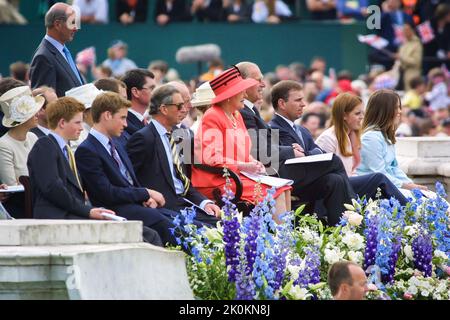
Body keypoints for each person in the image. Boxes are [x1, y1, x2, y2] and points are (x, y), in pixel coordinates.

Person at [74, 92, 185, 247]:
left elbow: (129, 181)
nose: (126, 124)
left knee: (185, 221)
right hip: (116, 211)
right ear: (107, 115)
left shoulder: (117, 144)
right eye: (122, 118)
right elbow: (106, 193)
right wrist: (145, 193)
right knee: (173, 227)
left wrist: (145, 198)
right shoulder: (87, 150)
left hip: (136, 205)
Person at [191, 67, 291, 223]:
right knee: (275, 192)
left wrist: (252, 161)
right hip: (218, 179)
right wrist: (243, 166)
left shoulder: (236, 115)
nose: (245, 94)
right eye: (241, 91)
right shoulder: (212, 116)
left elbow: (241, 151)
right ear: (229, 96)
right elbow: (211, 158)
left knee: (285, 188)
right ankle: (281, 241)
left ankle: (285, 239)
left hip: (236, 175)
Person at [127, 84, 221, 223]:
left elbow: (185, 183)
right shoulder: (144, 138)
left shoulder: (179, 135)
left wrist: (205, 203)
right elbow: (129, 179)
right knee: (216, 231)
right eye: (179, 106)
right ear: (164, 109)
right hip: (162, 208)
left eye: (184, 104)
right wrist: (146, 198)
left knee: (227, 224)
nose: (184, 110)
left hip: (184, 204)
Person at [269, 80, 356, 226]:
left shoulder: (302, 129)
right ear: (282, 104)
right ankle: (354, 206)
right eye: (298, 100)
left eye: (303, 99)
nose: (303, 104)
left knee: (335, 180)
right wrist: (310, 153)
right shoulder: (274, 128)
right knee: (334, 161)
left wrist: (309, 153)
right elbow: (292, 160)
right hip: (290, 181)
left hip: (307, 178)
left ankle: (339, 228)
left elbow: (317, 152)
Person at [315, 92, 408, 205]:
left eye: (362, 113)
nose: (362, 117)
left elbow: (352, 171)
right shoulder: (328, 138)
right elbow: (323, 175)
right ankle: (409, 208)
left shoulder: (349, 137)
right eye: (357, 113)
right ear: (344, 115)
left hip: (347, 185)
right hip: (335, 188)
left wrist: (410, 185)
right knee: (378, 178)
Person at [357, 89, 427, 191]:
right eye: (396, 108)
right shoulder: (370, 138)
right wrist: (408, 187)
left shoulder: (385, 135)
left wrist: (412, 185)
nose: (400, 111)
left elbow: (394, 168)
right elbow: (379, 174)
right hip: (376, 190)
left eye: (399, 107)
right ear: (384, 111)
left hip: (389, 186)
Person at [236, 61, 296, 165]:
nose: (263, 84)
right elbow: (261, 152)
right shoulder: (243, 112)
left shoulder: (250, 110)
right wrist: (292, 151)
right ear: (243, 83)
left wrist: (291, 149)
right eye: (258, 80)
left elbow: (269, 144)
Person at [0, 86, 42, 218]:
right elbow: (12, 185)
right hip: (21, 208)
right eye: (32, 112)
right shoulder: (4, 144)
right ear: (22, 119)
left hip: (38, 202)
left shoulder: (33, 137)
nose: (38, 114)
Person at [30, 2, 84, 97]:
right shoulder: (43, 57)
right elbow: (46, 104)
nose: (76, 28)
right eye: (72, 22)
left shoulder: (62, 51)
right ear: (58, 24)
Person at [120, 69, 156, 143]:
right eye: (152, 88)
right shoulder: (124, 124)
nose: (156, 93)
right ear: (135, 92)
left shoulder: (148, 121)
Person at [395, 22, 423, 91]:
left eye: (407, 29)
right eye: (404, 29)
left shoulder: (417, 43)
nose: (404, 32)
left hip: (412, 75)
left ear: (412, 30)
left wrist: (401, 57)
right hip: (401, 74)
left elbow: (416, 61)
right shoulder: (403, 43)